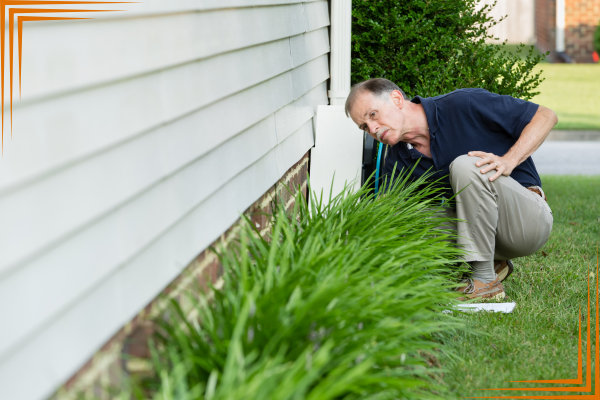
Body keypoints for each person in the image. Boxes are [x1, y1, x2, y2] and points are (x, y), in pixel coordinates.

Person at [345, 78, 556, 300]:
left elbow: (546, 116)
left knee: (466, 166)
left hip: (527, 223)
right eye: (364, 127)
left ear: (396, 99)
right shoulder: (398, 160)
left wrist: (508, 161)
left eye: (373, 115)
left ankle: (485, 281)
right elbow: (385, 215)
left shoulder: (464, 104)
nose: (373, 129)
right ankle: (492, 263)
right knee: (402, 216)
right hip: (487, 235)